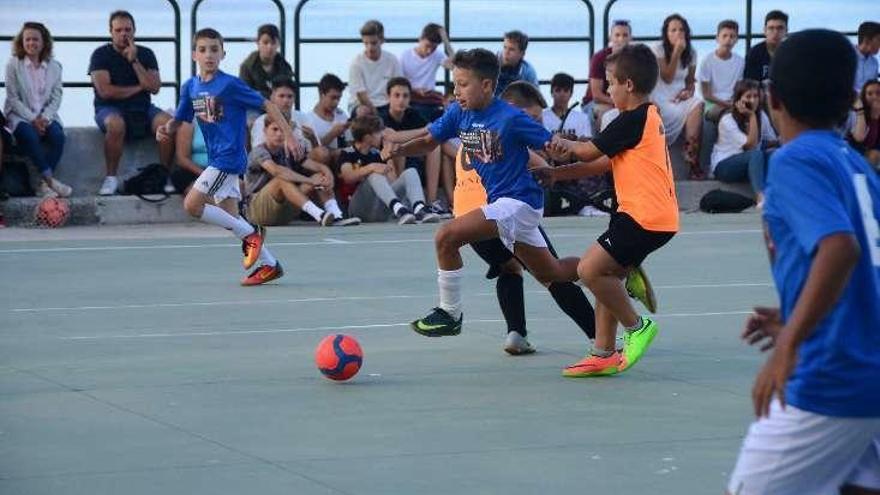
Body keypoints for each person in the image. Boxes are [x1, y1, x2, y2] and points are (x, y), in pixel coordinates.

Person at [726, 29, 880, 495]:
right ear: (852, 98)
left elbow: (839, 249)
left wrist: (792, 340)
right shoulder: (858, 166)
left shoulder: (795, 160)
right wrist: (798, 315)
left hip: (834, 376)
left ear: (773, 99)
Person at [385, 48, 583, 337]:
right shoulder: (458, 113)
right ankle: (611, 267)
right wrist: (400, 149)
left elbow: (551, 147)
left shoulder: (510, 117)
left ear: (487, 85)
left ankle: (450, 313)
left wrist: (565, 148)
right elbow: (429, 140)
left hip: (520, 203)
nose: (457, 91)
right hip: (502, 204)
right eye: (455, 84)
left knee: (445, 236)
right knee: (552, 272)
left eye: (463, 84)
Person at [537, 43, 679, 376]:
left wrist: (563, 143)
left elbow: (586, 152)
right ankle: (603, 353)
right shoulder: (643, 118)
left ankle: (637, 327)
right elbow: (600, 162)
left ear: (628, 85)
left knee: (590, 271)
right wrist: (556, 173)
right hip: (644, 216)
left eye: (611, 82)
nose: (608, 89)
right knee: (606, 275)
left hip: (644, 217)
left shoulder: (634, 118)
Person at [157, 28, 294, 286]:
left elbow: (267, 105)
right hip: (215, 157)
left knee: (192, 205)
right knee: (232, 219)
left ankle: (252, 235)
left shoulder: (230, 85)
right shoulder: (191, 87)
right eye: (203, 49)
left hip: (229, 158)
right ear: (194, 54)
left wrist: (289, 135)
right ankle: (270, 265)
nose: (209, 55)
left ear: (222, 54)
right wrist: (166, 129)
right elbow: (181, 119)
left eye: (214, 49)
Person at [89, 10, 174, 196]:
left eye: (127, 29)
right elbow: (105, 91)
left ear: (134, 31)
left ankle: (165, 174)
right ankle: (111, 178)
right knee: (115, 124)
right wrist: (139, 87)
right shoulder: (100, 55)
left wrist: (134, 61)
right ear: (111, 32)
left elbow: (154, 87)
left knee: (166, 123)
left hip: (142, 108)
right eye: (118, 30)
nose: (123, 34)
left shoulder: (145, 54)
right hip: (109, 108)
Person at [246, 113, 358, 227]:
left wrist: (328, 175)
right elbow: (277, 171)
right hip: (258, 211)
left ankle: (336, 215)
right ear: (265, 130)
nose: (279, 134)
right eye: (274, 129)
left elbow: (317, 166)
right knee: (281, 179)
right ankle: (319, 215)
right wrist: (310, 181)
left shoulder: (290, 150)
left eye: (283, 130)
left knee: (319, 176)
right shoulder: (258, 151)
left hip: (283, 211)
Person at [4, 21, 69, 198]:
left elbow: (57, 97)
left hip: (46, 116)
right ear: (22, 42)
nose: (32, 43)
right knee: (30, 136)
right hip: (20, 115)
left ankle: (41, 185)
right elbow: (13, 98)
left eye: (36, 39)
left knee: (58, 136)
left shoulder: (55, 67)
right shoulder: (13, 65)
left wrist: (45, 118)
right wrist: (33, 119)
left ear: (44, 42)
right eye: (28, 40)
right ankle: (49, 180)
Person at [336, 115, 439, 225]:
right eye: (378, 132)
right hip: (358, 209)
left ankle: (419, 208)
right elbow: (348, 177)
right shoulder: (347, 153)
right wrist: (371, 167)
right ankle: (400, 210)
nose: (382, 135)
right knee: (374, 175)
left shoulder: (376, 154)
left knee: (410, 172)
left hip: (379, 211)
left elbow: (392, 182)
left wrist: (389, 157)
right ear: (367, 137)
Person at [378, 77, 451, 216]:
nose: (401, 100)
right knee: (393, 144)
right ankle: (398, 202)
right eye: (397, 95)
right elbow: (390, 136)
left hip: (413, 161)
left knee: (434, 146)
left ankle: (431, 202)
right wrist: (422, 131)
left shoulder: (413, 114)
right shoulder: (381, 116)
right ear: (388, 97)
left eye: (405, 96)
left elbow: (431, 133)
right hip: (390, 172)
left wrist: (424, 132)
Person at [543, 73, 606, 217]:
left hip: (574, 158)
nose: (562, 95)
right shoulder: (543, 115)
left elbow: (586, 142)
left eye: (566, 91)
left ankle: (589, 203)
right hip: (551, 159)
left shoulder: (581, 118)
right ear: (551, 92)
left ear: (571, 93)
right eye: (558, 90)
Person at [652, 13, 704, 179]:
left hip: (678, 98)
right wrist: (676, 52)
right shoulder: (658, 49)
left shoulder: (692, 52)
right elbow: (667, 77)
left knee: (697, 103)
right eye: (673, 30)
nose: (678, 33)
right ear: (666, 33)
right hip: (660, 97)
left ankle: (691, 156)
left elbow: (690, 81)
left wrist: (687, 92)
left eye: (681, 29)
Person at [711, 80, 778, 205]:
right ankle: (760, 197)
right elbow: (750, 146)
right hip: (725, 166)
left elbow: (771, 141)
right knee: (755, 154)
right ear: (738, 100)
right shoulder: (727, 120)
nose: (752, 101)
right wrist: (752, 116)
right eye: (748, 97)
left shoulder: (762, 116)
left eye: (756, 96)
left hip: (750, 164)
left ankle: (781, 194)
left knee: (775, 154)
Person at [400, 23, 454, 121]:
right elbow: (399, 81)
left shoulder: (438, 55)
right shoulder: (405, 55)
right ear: (420, 39)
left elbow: (455, 66)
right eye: (427, 46)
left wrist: (446, 41)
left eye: (433, 48)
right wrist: (415, 90)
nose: (429, 51)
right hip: (412, 97)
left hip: (430, 98)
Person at [582, 19, 631, 125]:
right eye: (617, 35)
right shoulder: (599, 58)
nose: (621, 39)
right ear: (611, 37)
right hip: (599, 103)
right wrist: (620, 103)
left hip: (626, 102)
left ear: (630, 38)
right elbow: (597, 95)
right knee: (605, 114)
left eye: (625, 35)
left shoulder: (635, 59)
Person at [348, 20, 401, 115]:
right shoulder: (356, 63)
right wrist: (376, 114)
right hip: (360, 104)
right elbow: (361, 95)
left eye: (373, 43)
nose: (369, 48)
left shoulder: (392, 60)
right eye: (366, 43)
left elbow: (399, 86)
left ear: (382, 41)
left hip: (386, 103)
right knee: (363, 111)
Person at [699, 20, 745, 123]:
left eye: (732, 36)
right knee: (728, 117)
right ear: (717, 38)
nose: (728, 39)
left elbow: (738, 88)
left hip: (732, 102)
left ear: (737, 39)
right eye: (724, 36)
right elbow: (706, 94)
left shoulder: (740, 61)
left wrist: (733, 101)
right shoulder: (707, 61)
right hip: (712, 104)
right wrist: (727, 104)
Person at [250, 77, 311, 152]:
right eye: (281, 96)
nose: (286, 100)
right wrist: (288, 132)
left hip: (300, 160)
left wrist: (312, 138)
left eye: (290, 96)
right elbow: (258, 153)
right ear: (272, 98)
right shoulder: (261, 121)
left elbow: (314, 150)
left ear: (294, 99)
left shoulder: (302, 117)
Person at [304, 73, 351, 165]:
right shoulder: (308, 119)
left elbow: (350, 145)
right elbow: (313, 152)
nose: (336, 102)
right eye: (333, 98)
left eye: (339, 98)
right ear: (322, 94)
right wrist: (332, 134)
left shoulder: (341, 115)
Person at [238, 24, 294, 99]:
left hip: (278, 108)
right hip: (254, 108)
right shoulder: (247, 67)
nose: (269, 47)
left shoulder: (285, 67)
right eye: (265, 42)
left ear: (278, 44)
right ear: (258, 43)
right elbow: (245, 94)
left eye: (273, 43)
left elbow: (288, 93)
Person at [743, 10, 788, 84]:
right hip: (761, 93)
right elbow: (749, 83)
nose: (775, 32)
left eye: (780, 28)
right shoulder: (754, 53)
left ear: (786, 31)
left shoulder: (791, 53)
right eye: (771, 28)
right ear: (765, 30)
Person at [495, 30, 538, 96]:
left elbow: (536, 100)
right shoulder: (491, 65)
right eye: (505, 47)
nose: (506, 52)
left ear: (522, 54)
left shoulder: (527, 72)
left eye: (511, 49)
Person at [170, 119, 207, 194]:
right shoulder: (188, 122)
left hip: (223, 169)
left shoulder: (231, 120)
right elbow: (182, 159)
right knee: (180, 176)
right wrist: (204, 174)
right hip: (196, 170)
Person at [850, 80, 880, 169]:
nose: (874, 97)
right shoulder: (858, 112)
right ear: (864, 96)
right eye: (869, 94)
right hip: (856, 148)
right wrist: (874, 117)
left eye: (878, 93)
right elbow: (864, 141)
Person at [854, 21, 880, 94]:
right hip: (848, 101)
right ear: (867, 40)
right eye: (879, 39)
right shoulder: (847, 57)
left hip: (867, 102)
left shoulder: (874, 63)